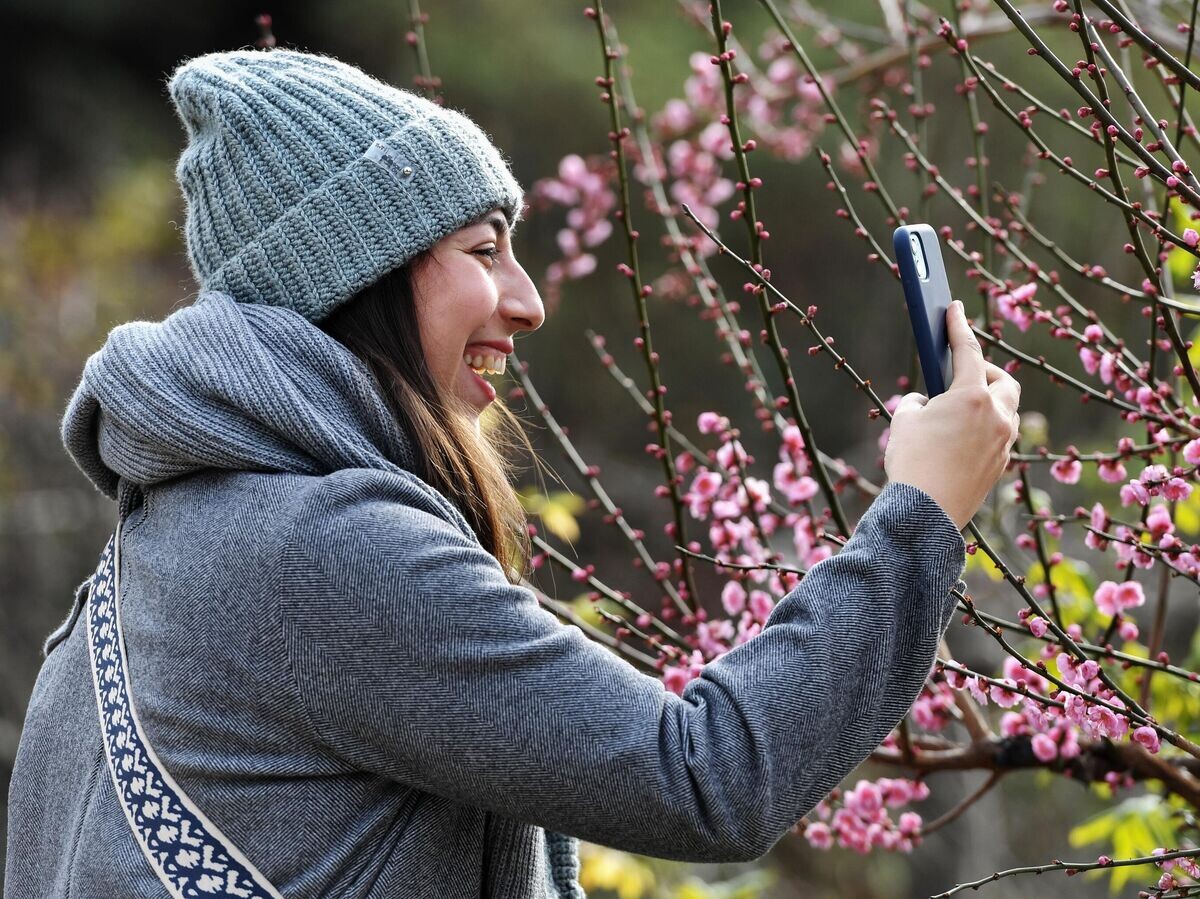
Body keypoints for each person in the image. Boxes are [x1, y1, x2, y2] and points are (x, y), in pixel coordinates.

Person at [4, 47, 1020, 898]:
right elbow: (709, 774)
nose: (528, 301)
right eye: (484, 248)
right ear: (353, 276)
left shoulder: (158, 557)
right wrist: (920, 512)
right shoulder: (325, 550)